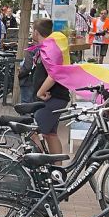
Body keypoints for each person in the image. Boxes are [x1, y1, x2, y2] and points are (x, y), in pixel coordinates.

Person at [31, 18, 71, 155]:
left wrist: (40, 92)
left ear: (36, 32)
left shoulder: (49, 48)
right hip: (58, 96)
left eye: (32, 30)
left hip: (53, 97)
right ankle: (56, 169)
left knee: (33, 132)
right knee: (50, 135)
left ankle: (41, 168)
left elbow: (53, 74)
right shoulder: (50, 46)